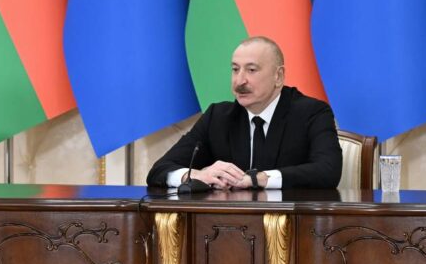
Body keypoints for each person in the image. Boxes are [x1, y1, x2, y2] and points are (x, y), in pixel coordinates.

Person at [147, 36, 342, 189]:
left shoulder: (312, 113)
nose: (239, 81)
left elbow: (328, 171)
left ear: (278, 76)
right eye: (235, 69)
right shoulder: (218, 117)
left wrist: (258, 179)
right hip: (228, 224)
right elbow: (159, 170)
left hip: (291, 222)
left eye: (251, 70)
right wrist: (196, 175)